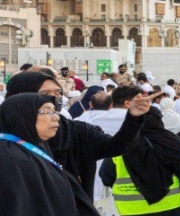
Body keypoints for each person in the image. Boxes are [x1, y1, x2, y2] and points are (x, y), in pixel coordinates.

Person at [5, 71, 149, 197]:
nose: (53, 98)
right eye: (44, 94)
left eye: (58, 93)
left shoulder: (76, 130)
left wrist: (133, 119)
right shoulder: (6, 143)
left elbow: (116, 146)